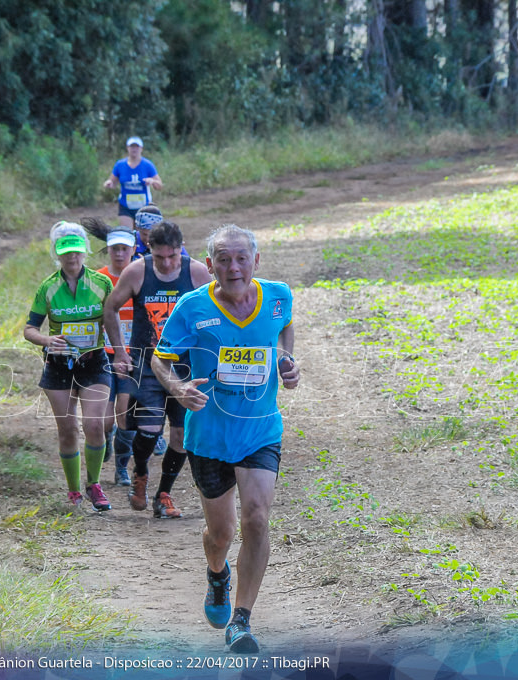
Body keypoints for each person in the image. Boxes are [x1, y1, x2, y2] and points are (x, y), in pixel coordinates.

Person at [151, 224, 299, 654]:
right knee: (221, 533)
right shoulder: (191, 307)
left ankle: (242, 620)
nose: (233, 267)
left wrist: (287, 360)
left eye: (241, 258)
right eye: (223, 259)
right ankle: (218, 574)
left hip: (260, 428)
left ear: (256, 261)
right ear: (210, 263)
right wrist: (178, 389)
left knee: (256, 518)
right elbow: (162, 361)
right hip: (210, 436)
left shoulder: (277, 296)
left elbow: (284, 327)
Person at [104, 221, 210, 518]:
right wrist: (121, 352)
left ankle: (164, 494)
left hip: (187, 367)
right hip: (148, 364)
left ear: (181, 249)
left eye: (173, 256)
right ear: (149, 249)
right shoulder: (138, 271)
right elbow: (110, 308)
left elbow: (217, 311)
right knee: (149, 430)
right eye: (160, 256)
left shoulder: (197, 273)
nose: (166, 263)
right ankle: (140, 475)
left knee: (181, 435)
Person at [23, 222, 114, 510]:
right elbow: (29, 329)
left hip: (94, 360)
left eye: (76, 251)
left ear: (85, 252)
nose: (72, 257)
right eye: (65, 252)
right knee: (67, 429)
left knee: (94, 425)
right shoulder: (48, 288)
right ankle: (74, 490)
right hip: (58, 364)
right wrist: (47, 340)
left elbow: (112, 320)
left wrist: (122, 352)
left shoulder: (101, 283)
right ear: (57, 254)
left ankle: (94, 483)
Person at [96, 227, 137, 486]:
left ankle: (121, 467)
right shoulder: (98, 279)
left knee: (125, 412)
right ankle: (106, 439)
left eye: (125, 249)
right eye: (115, 249)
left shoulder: (142, 276)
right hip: (103, 354)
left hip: (133, 355)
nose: (120, 254)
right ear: (108, 250)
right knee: (105, 419)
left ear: (134, 250)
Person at [102, 136, 162, 229]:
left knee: (141, 236)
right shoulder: (120, 165)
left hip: (144, 206)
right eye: (132, 146)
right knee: (127, 234)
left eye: (137, 147)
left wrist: (152, 181)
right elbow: (113, 182)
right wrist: (109, 184)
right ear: (127, 148)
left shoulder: (148, 165)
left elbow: (159, 185)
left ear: (141, 149)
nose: (134, 149)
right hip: (125, 205)